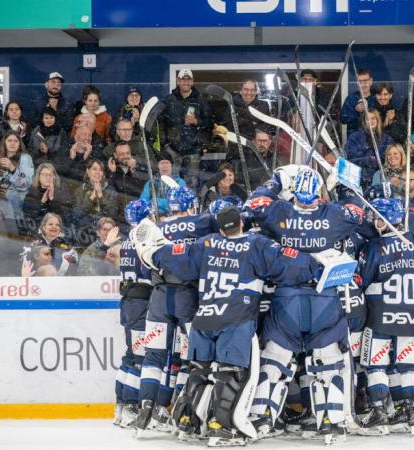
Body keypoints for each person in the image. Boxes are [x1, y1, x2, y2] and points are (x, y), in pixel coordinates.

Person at [132, 204, 321, 446]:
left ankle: (187, 423)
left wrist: (151, 251)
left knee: (199, 372)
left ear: (220, 228)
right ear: (241, 223)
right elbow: (289, 263)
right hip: (235, 320)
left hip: (204, 319)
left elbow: (174, 257)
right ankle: (221, 428)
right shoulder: (256, 244)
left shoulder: (206, 243)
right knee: (230, 375)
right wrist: (318, 263)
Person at [245, 167, 374, 440]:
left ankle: (262, 419)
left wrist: (276, 180)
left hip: (286, 298)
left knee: (275, 361)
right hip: (324, 298)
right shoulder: (332, 216)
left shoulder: (281, 211)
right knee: (328, 363)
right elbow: (358, 210)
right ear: (317, 193)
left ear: (294, 192)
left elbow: (254, 204)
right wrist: (343, 185)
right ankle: (332, 421)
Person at [132, 186, 217, 434]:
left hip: (158, 299)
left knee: (153, 356)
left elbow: (144, 267)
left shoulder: (156, 228)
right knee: (191, 358)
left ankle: (145, 408)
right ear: (191, 205)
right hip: (187, 298)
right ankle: (183, 415)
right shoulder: (202, 221)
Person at [356, 197, 414, 435]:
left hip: (381, 315)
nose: (374, 221)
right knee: (410, 367)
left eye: (378, 217)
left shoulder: (374, 246)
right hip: (411, 315)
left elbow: (361, 280)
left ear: (388, 219)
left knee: (375, 366)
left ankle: (379, 413)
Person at [114, 200, 153, 428]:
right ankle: (129, 407)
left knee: (130, 355)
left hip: (129, 302)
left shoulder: (128, 240)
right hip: (139, 303)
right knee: (138, 358)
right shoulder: (142, 239)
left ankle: (120, 406)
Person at [160, 68, 212, 189]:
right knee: (171, 183)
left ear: (192, 82)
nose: (186, 82)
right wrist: (165, 144)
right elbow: (160, 123)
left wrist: (197, 122)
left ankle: (190, 207)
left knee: (191, 184)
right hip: (173, 151)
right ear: (178, 81)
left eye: (188, 79)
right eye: (183, 79)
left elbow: (210, 123)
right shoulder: (169, 100)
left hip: (193, 151)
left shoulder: (200, 100)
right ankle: (172, 207)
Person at [0, 130, 34, 221]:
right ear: (4, 142)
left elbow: (26, 184)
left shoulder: (25, 158)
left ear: (20, 144)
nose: (12, 143)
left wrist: (12, 168)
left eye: (16, 141)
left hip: (16, 197)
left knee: (10, 200)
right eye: (9, 140)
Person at [71, 159, 121, 240]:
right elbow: (76, 215)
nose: (98, 172)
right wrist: (91, 197)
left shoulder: (110, 190)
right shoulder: (80, 190)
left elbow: (112, 214)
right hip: (84, 232)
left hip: (105, 232)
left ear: (103, 174)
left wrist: (101, 196)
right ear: (88, 171)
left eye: (101, 170)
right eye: (94, 169)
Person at [345, 110, 394, 188]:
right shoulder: (355, 137)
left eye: (373, 118)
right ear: (364, 121)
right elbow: (352, 157)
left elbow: (389, 159)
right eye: (368, 119)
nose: (371, 121)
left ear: (378, 120)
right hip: (359, 178)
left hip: (380, 179)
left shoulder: (387, 138)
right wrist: (368, 158)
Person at [21, 163, 69, 238]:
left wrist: (52, 198)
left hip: (56, 232)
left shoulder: (61, 194)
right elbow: (28, 217)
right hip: (36, 230)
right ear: (39, 177)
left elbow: (64, 218)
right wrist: (42, 202)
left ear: (54, 177)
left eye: (50, 175)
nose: (48, 177)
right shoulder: (31, 193)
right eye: (45, 175)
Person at [22, 212, 78, 276]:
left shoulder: (64, 243)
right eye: (50, 224)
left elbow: (74, 261)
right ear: (44, 227)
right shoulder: (35, 241)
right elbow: (27, 262)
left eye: (57, 225)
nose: (54, 227)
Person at [139, 151, 186, 216]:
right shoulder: (150, 183)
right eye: (162, 163)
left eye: (167, 163)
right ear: (158, 166)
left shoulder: (180, 182)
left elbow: (178, 203)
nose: (164, 166)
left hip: (174, 218)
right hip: (154, 218)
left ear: (171, 165)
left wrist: (156, 202)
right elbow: (142, 202)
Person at [341, 68, 377, 136]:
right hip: (355, 140)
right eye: (360, 81)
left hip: (374, 139)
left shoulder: (377, 98)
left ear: (371, 81)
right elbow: (343, 119)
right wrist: (356, 111)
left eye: (365, 81)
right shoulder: (351, 99)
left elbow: (381, 118)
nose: (363, 85)